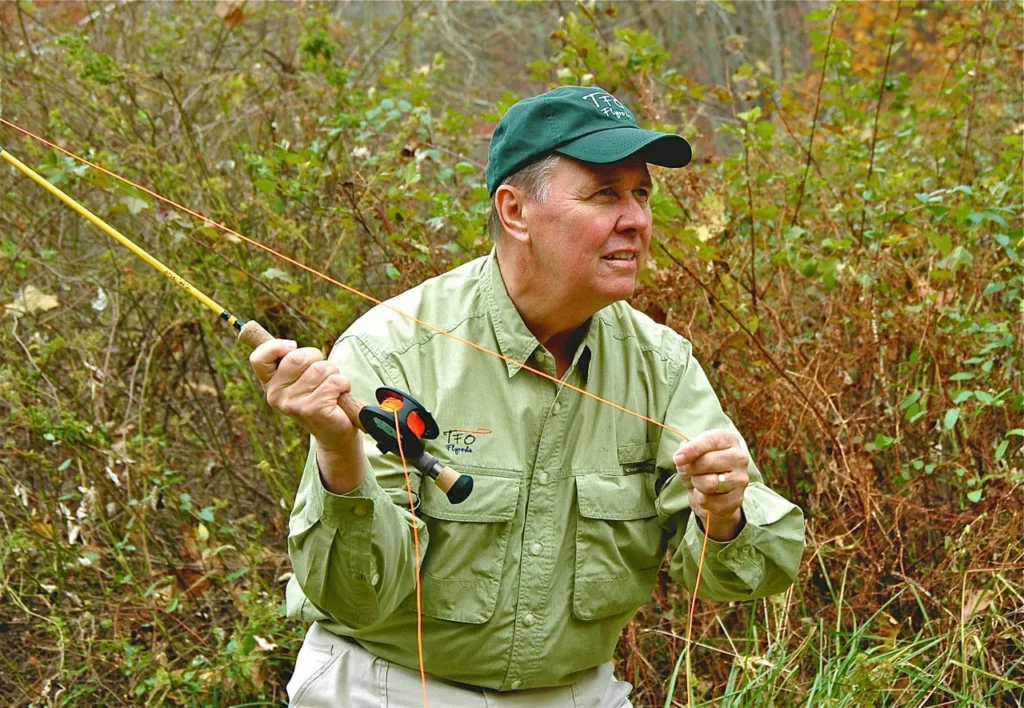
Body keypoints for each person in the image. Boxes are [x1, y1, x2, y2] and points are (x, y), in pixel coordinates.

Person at [249, 85, 805, 707]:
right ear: (515, 211)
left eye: (641, 194)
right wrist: (338, 452)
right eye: (605, 194)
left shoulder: (662, 365)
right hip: (386, 687)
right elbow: (354, 595)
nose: (637, 220)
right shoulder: (390, 351)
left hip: (576, 693)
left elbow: (747, 576)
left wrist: (724, 514)